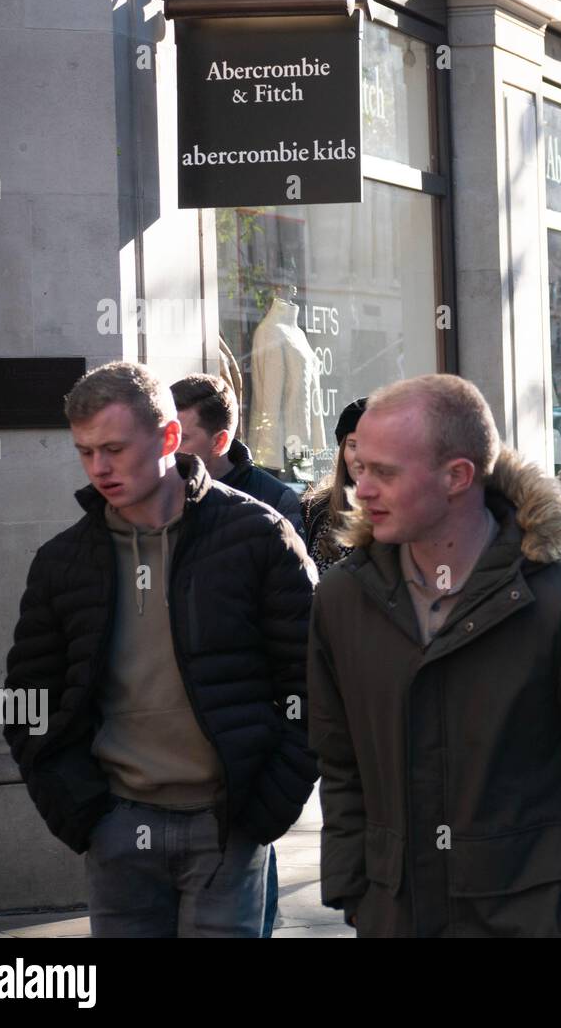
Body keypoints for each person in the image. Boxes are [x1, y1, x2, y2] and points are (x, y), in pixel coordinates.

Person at [307, 375, 561, 937]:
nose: (360, 490)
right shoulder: (342, 600)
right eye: (359, 468)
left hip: (532, 916)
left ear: (457, 476)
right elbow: (340, 762)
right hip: (395, 916)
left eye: (384, 472)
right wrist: (355, 889)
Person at [4, 362, 318, 937]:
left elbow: (316, 682)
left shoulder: (258, 536)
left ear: (170, 438)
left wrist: (265, 807)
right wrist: (81, 811)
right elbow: (29, 699)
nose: (100, 467)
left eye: (115, 449)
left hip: (229, 822)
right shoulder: (62, 562)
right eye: (85, 452)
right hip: (116, 824)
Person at [171, 371, 305, 937]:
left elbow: (296, 642)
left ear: (218, 441)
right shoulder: (149, 503)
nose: (167, 451)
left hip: (248, 735)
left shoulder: (274, 505)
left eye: (182, 436)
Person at [171, 372, 304, 537]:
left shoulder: (275, 499)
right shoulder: (152, 490)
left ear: (219, 442)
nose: (167, 446)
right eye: (163, 435)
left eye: (181, 438)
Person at [301, 398, 365, 575]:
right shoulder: (314, 511)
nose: (361, 457)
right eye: (353, 445)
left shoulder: (404, 515)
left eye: (372, 445)